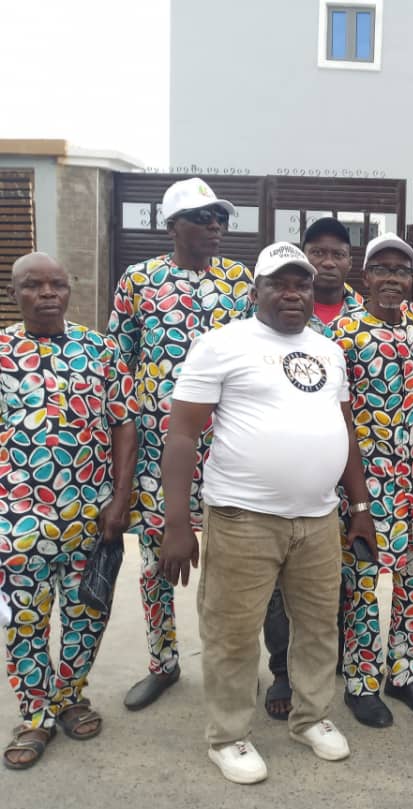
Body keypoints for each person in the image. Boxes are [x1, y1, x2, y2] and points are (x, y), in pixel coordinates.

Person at [158, 242, 376, 785]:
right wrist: (177, 522)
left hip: (319, 518)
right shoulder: (222, 344)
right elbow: (182, 434)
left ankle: (312, 717)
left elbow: (345, 430)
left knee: (319, 627)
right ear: (256, 290)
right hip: (243, 517)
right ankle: (227, 736)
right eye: (279, 283)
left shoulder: (328, 350)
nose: (292, 293)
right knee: (232, 633)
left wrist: (360, 505)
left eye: (301, 283)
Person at [108, 177, 253, 711]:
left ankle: (232, 665)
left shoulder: (241, 281)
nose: (215, 226)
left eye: (220, 218)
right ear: (172, 225)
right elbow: (120, 362)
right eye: (202, 217)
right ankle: (162, 662)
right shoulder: (139, 280)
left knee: (236, 568)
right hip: (159, 449)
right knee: (155, 565)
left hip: (231, 446)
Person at [0, 253, 137, 770]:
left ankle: (70, 696)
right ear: (14, 293)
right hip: (17, 520)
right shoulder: (2, 352)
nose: (47, 294)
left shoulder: (100, 350)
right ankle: (35, 716)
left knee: (88, 614)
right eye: (33, 286)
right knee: (26, 622)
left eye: (57, 284)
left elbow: (125, 424)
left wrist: (119, 500)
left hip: (89, 516)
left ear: (69, 289)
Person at [334, 232, 413, 727]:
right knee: (361, 584)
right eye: (382, 269)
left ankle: (405, 673)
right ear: (366, 277)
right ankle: (361, 682)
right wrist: (355, 498)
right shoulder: (343, 334)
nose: (392, 279)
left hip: (412, 483)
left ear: (412, 279)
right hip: (361, 483)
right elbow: (337, 419)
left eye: (401, 271)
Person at [261, 217, 364, 721]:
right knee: (279, 582)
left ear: (350, 262)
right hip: (283, 478)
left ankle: (331, 659)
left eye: (337, 253)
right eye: (317, 252)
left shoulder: (372, 314)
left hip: (358, 470)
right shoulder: (271, 314)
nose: (327, 262)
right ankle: (283, 669)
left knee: (335, 579)